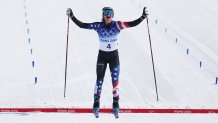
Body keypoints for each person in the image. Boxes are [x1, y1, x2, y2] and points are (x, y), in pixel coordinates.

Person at [66, 7, 148, 112]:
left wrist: (142, 17)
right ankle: (96, 102)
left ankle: (116, 103)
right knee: (99, 81)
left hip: (114, 57)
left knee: (115, 82)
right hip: (102, 57)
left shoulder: (117, 25)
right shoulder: (98, 26)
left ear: (112, 15)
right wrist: (72, 16)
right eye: (106, 13)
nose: (108, 15)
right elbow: (83, 25)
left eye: (110, 13)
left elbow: (131, 24)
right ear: (103, 15)